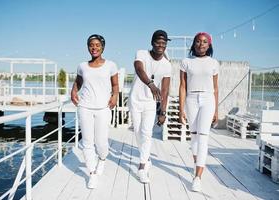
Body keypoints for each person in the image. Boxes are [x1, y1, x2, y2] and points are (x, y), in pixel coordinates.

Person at [71, 34, 119, 189]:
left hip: (103, 108)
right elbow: (78, 82)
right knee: (87, 142)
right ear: (88, 47)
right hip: (84, 106)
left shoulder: (110, 65)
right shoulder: (82, 66)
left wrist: (115, 96)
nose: (94, 48)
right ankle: (91, 173)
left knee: (101, 142)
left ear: (102, 47)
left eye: (97, 45)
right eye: (91, 45)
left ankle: (103, 159)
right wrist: (73, 91)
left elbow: (115, 85)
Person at [129, 30, 171, 183]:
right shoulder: (141, 53)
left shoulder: (167, 65)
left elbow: (165, 90)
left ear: (166, 45)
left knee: (146, 133)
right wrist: (151, 84)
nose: (160, 45)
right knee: (138, 132)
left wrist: (163, 111)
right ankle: (146, 158)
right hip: (135, 99)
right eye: (158, 42)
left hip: (150, 103)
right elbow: (139, 69)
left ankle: (142, 166)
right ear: (152, 42)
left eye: (163, 43)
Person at [179, 32, 219, 192]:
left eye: (204, 42)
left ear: (209, 45)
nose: (201, 44)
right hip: (191, 99)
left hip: (208, 100)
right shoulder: (185, 62)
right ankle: (198, 165)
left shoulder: (214, 63)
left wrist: (217, 109)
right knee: (194, 136)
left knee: (203, 137)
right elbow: (182, 86)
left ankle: (197, 177)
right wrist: (181, 108)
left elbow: (216, 88)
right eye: (198, 41)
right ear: (193, 44)